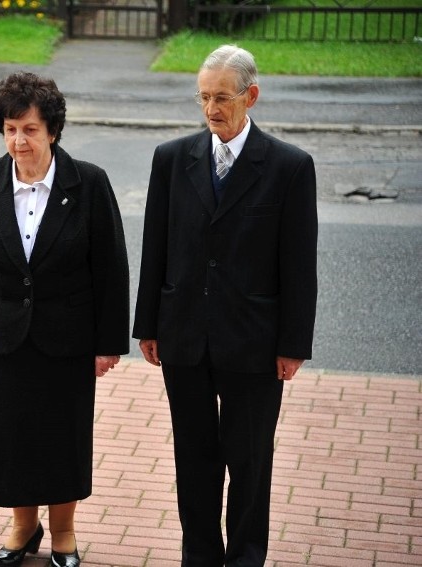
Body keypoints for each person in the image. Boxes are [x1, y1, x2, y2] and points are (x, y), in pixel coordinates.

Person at [132, 44, 318, 566]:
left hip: (254, 344)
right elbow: (157, 247)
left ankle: (244, 558)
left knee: (250, 460)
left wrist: (293, 345)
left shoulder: (289, 167)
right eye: (203, 98)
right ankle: (200, 556)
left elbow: (299, 267)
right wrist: (149, 324)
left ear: (251, 96)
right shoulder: (171, 160)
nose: (212, 109)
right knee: (194, 459)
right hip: (185, 337)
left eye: (222, 98)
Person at [0, 71, 130, 567]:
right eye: (10, 128)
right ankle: (22, 525)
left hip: (66, 338)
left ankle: (64, 532)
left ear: (52, 130)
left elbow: (111, 267)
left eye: (29, 129)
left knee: (61, 437)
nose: (18, 140)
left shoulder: (88, 183)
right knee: (8, 437)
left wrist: (107, 342)